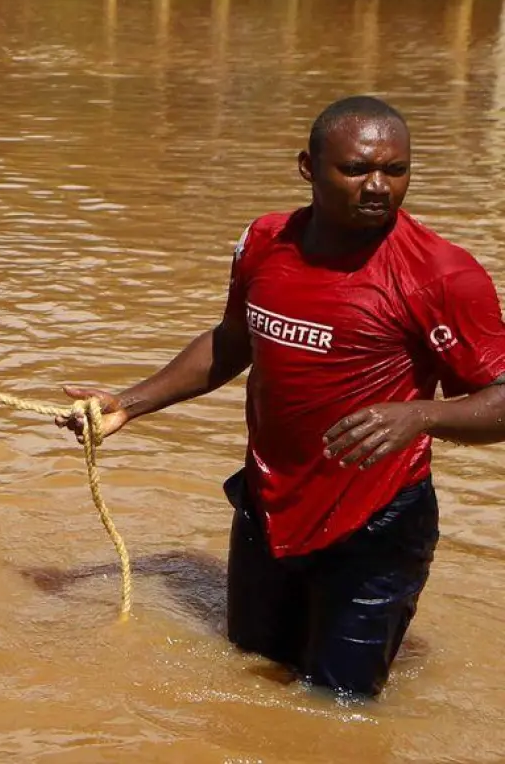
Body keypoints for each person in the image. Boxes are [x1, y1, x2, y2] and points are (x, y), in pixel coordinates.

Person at [59, 96, 505, 698]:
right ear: (308, 167)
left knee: (337, 707)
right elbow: (232, 340)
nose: (378, 186)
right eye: (356, 169)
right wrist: (130, 404)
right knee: (248, 680)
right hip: (267, 507)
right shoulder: (265, 241)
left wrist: (421, 415)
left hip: (375, 522)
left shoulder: (442, 274)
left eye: (395, 171)